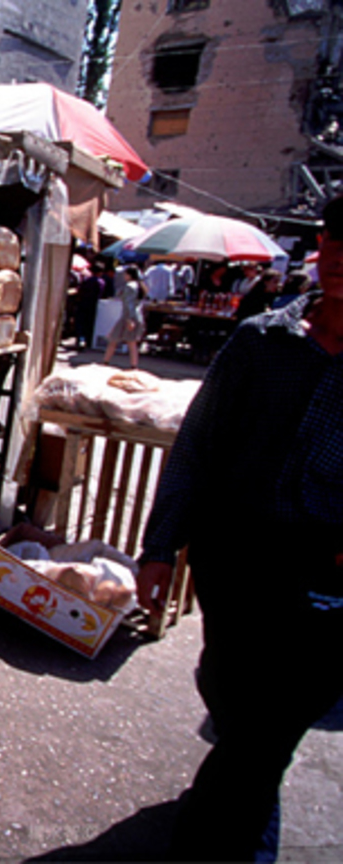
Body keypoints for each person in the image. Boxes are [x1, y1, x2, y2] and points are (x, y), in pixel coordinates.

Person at [136, 192, 343, 861]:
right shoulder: (261, 342)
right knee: (231, 696)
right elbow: (197, 445)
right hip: (235, 559)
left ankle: (220, 842)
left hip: (326, 573)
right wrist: (159, 547)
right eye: (334, 240)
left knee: (271, 725)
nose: (340, 258)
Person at [102, 265, 147, 368]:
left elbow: (128, 304)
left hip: (128, 317)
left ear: (129, 275)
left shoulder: (130, 286)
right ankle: (133, 365)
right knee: (131, 342)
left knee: (114, 339)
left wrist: (129, 319)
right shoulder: (141, 286)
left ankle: (106, 361)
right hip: (136, 316)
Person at [76, 260, 107, 349]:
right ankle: (89, 342)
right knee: (90, 324)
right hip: (95, 306)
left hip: (83, 304)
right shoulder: (101, 282)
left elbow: (80, 291)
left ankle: (81, 340)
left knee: (81, 323)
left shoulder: (87, 280)